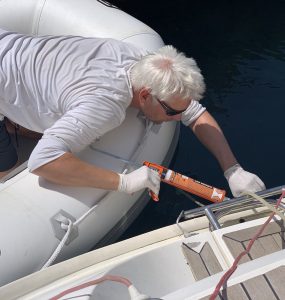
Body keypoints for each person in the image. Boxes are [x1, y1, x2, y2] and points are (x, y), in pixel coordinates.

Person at [0, 28, 265, 198]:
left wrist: (233, 169)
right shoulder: (106, 105)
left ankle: (16, 125)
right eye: (172, 112)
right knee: (7, 162)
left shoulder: (139, 59)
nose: (177, 120)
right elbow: (42, 161)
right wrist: (123, 182)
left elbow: (195, 114)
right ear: (146, 96)